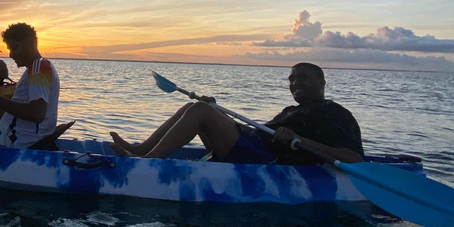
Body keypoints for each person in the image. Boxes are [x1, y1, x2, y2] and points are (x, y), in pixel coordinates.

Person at [110, 63, 364, 164]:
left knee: (200, 110)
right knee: (198, 107)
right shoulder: (292, 111)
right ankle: (141, 151)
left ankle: (148, 163)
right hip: (252, 147)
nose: (295, 83)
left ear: (322, 81)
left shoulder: (336, 113)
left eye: (303, 78)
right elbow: (255, 135)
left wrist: (300, 140)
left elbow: (353, 159)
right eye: (291, 79)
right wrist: (218, 112)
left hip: (268, 161)